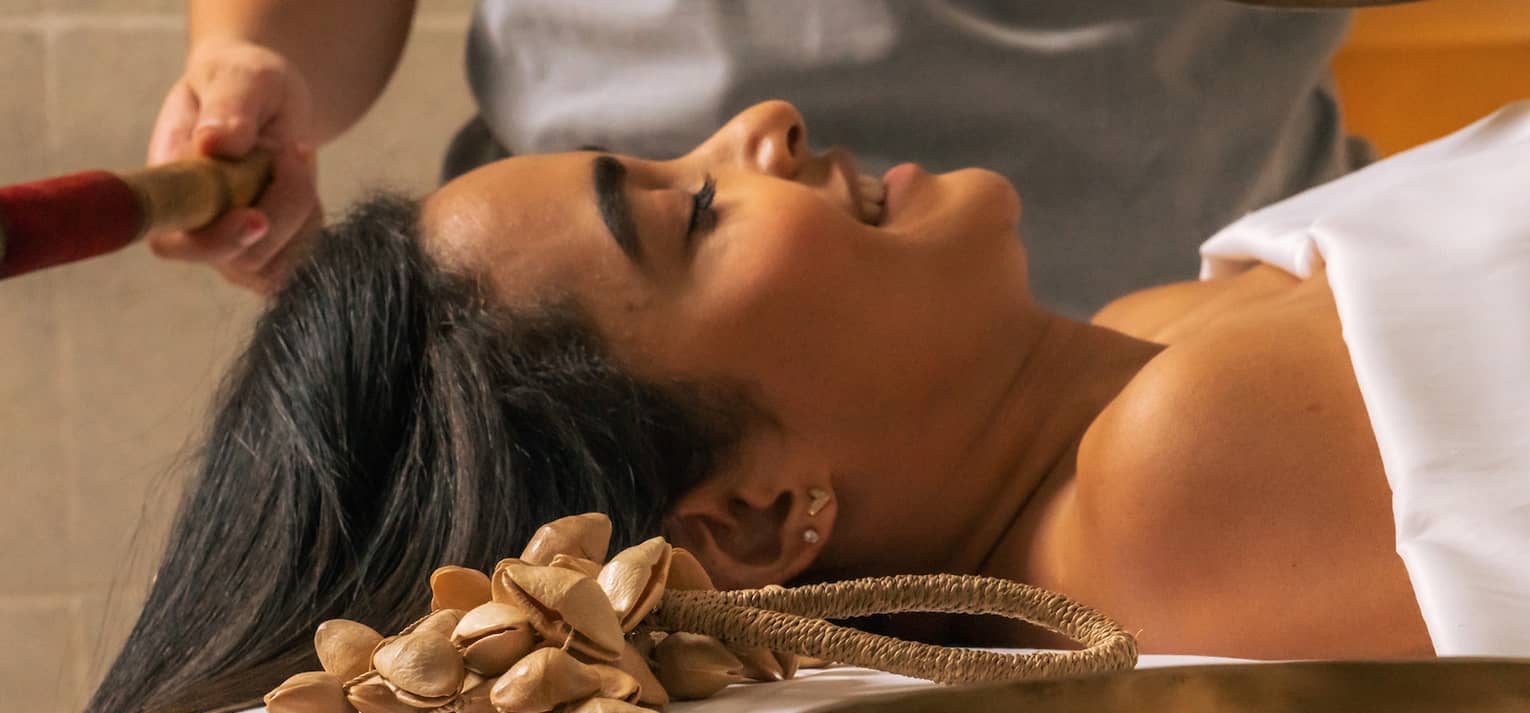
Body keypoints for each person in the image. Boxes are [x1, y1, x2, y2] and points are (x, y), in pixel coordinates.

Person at [26, 85, 1525, 713]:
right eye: (690, 217)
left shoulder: (1128, 367)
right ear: (750, 518)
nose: (763, 126)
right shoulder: (1177, 485)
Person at [147, 0, 1368, 312]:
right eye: (679, 208)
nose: (772, 136)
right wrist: (260, 55)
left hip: (1193, 270)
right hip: (654, 434)